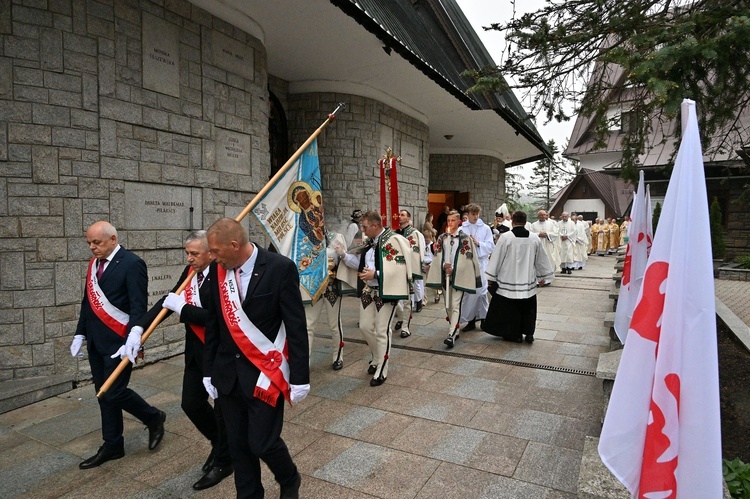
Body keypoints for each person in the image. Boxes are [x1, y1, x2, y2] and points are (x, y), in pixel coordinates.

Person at [203, 218, 310, 498]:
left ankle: (289, 477)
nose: (211, 257)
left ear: (234, 245)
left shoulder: (279, 268)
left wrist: (300, 378)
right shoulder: (217, 272)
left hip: (265, 374)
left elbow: (296, 326)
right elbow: (214, 323)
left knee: (262, 443)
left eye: (215, 251)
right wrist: (208, 370)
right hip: (228, 374)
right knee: (238, 445)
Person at [135, 230, 231, 490]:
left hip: (221, 354)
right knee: (191, 403)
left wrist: (184, 309)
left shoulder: (224, 275)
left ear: (211, 253)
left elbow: (220, 319)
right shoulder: (191, 272)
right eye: (186, 253)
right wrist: (139, 329)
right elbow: (169, 300)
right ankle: (220, 443)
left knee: (223, 411)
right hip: (196, 352)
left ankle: (224, 461)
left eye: (194, 254)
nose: (189, 258)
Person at [70, 221, 165, 469]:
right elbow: (87, 303)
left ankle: (154, 417)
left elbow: (137, 305)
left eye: (96, 242)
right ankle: (113, 445)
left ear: (112, 239)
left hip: (120, 342)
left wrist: (135, 337)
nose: (92, 248)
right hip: (95, 341)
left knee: (114, 391)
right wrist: (80, 333)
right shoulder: (94, 265)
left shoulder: (132, 264)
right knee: (103, 394)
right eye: (89, 243)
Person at [341, 210, 413, 385]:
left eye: (365, 227)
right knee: (365, 327)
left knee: (382, 331)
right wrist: (343, 255)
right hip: (368, 290)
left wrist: (376, 274)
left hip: (386, 291)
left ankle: (382, 368)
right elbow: (360, 265)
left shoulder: (392, 240)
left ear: (374, 225)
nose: (363, 230)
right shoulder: (369, 243)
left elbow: (399, 266)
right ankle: (376, 356)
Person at [483, 211, 555, 343]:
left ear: (512, 222)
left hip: (508, 280)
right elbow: (541, 259)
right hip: (527, 280)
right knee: (528, 309)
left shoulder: (506, 237)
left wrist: (491, 277)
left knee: (511, 310)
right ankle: (529, 333)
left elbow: (497, 258)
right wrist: (542, 276)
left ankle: (514, 335)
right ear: (525, 221)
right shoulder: (534, 238)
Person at [426, 210, 481, 348]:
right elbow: (438, 256)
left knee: (456, 304)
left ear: (459, 222)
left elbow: (469, 258)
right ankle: (455, 328)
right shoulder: (441, 238)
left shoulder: (465, 239)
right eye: (448, 220)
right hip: (445, 276)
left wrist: (455, 268)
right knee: (448, 305)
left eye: (453, 220)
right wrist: (445, 265)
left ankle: (451, 334)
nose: (450, 222)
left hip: (459, 276)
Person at [302, 230, 354, 370]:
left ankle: (338, 357)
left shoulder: (336, 237)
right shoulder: (306, 238)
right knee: (308, 325)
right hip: (314, 288)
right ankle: (304, 362)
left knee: (334, 324)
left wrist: (338, 251)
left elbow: (344, 259)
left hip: (332, 288)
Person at [459, 203, 495, 332]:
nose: (475, 216)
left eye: (477, 214)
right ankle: (471, 320)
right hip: (467, 264)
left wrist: (478, 243)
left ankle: (484, 319)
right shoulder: (461, 229)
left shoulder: (485, 228)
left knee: (482, 293)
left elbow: (491, 246)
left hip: (481, 264)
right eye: (473, 214)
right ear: (467, 215)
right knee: (469, 293)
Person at [394, 210, 425, 338]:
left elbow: (419, 251)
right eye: (399, 214)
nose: (399, 216)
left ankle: (405, 327)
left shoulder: (415, 234)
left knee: (407, 300)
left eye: (403, 215)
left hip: (408, 270)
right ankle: (401, 318)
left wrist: (420, 265)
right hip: (395, 269)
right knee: (394, 299)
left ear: (408, 218)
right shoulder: (393, 233)